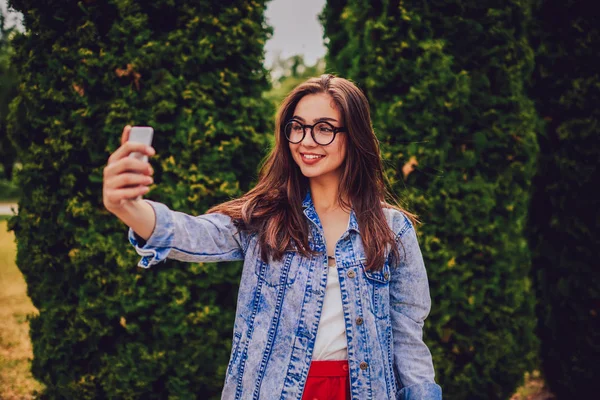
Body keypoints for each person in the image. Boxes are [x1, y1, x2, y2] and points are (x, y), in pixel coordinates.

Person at [103, 74, 442, 400]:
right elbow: (192, 234)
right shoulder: (265, 218)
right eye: (297, 127)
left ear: (353, 136)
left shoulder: (391, 230)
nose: (307, 141)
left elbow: (408, 339)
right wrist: (127, 207)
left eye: (324, 129)